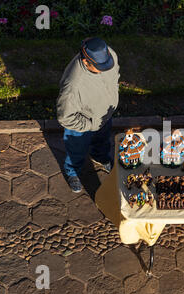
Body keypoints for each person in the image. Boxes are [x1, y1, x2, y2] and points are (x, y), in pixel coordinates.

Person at [56, 37, 120, 192]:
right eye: (100, 67)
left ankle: (101, 157)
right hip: (82, 125)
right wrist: (89, 125)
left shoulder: (109, 55)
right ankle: (73, 172)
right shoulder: (72, 86)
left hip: (104, 115)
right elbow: (65, 117)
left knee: (103, 141)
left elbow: (115, 74)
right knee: (76, 151)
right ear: (86, 62)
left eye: (107, 64)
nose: (105, 68)